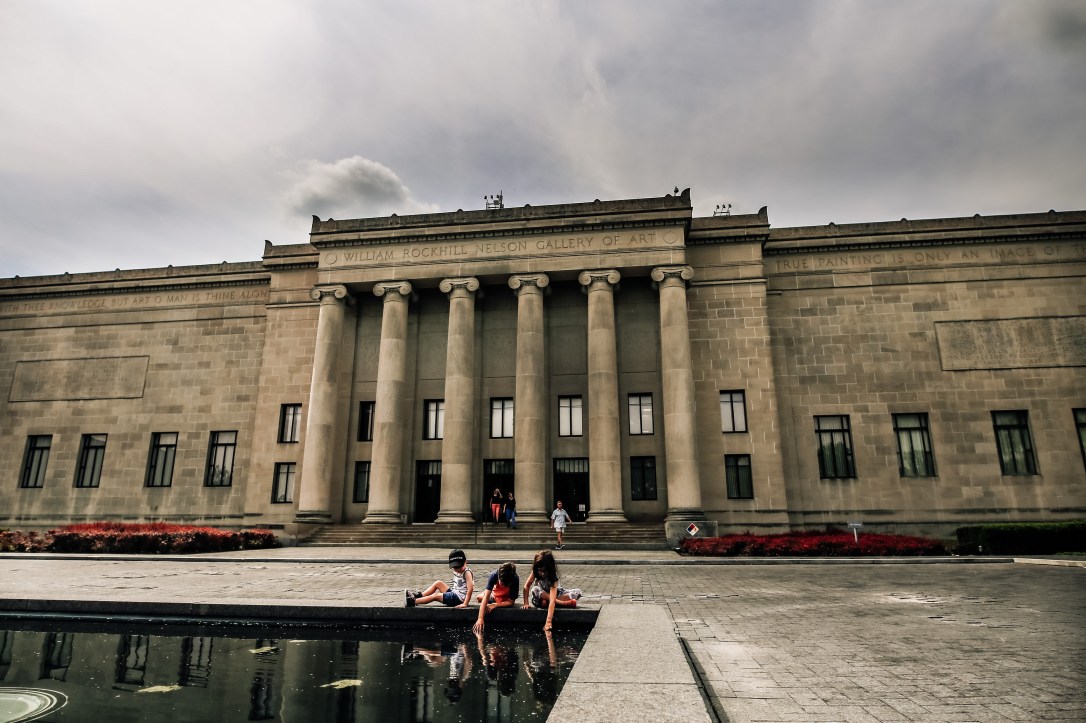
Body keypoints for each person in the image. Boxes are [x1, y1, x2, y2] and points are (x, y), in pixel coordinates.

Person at [523, 550, 582, 632]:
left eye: (545, 571)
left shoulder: (553, 576)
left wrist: (549, 621)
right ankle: (562, 603)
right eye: (540, 570)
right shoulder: (535, 571)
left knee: (578, 592)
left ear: (550, 568)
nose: (542, 573)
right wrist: (526, 602)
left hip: (555, 596)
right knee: (535, 590)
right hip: (541, 594)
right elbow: (526, 586)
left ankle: (545, 602)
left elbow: (552, 601)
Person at [406, 548, 473, 608]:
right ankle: (419, 596)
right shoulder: (458, 570)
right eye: (455, 567)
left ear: (465, 562)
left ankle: (413, 602)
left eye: (459, 567)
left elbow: (470, 589)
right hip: (455, 593)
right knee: (438, 583)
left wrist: (465, 603)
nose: (457, 570)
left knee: (436, 596)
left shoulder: (467, 573)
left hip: (459, 599)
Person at [472, 561, 519, 634]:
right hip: (495, 595)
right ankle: (487, 593)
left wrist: (495, 605)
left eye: (506, 585)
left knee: (492, 600)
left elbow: (511, 602)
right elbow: (486, 597)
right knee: (479, 598)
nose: (503, 586)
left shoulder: (515, 579)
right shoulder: (494, 575)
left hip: (505, 598)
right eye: (502, 583)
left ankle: (494, 599)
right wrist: (480, 618)